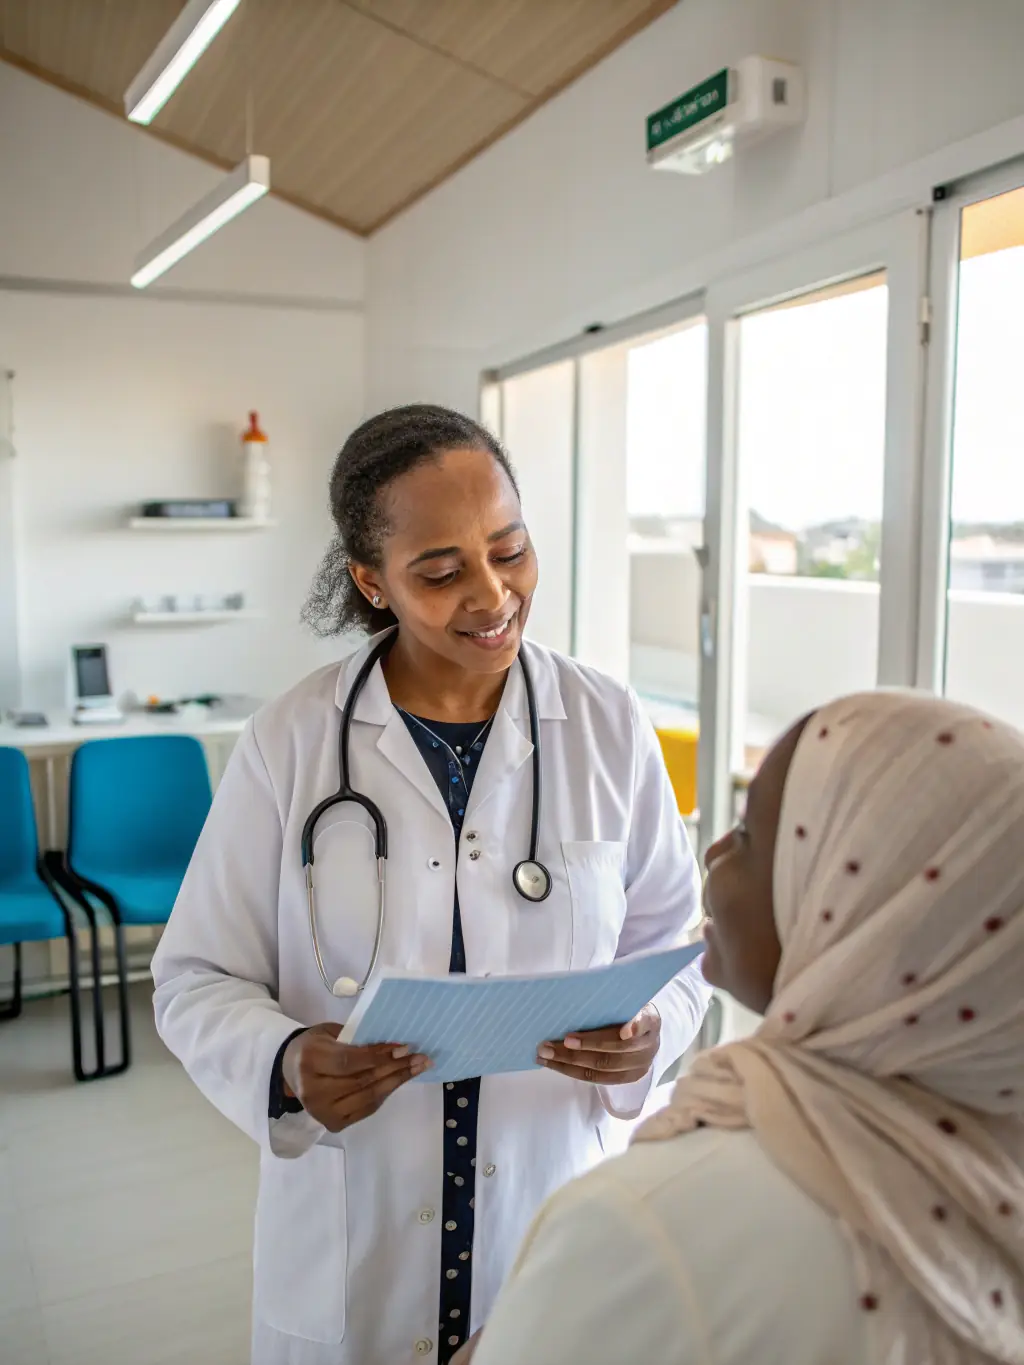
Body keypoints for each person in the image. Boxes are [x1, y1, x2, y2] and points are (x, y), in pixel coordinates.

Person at [151, 404, 710, 1365]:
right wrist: (286, 1061)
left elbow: (673, 940)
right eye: (442, 571)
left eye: (511, 550)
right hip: (350, 1229)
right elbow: (194, 975)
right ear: (373, 581)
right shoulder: (291, 742)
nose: (492, 595)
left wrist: (649, 1036)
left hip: (547, 1207)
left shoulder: (608, 725)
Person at [460, 689, 1024, 1365]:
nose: (716, 853)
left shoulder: (652, 1225)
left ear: (861, 912)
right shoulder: (994, 1172)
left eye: (752, 836)